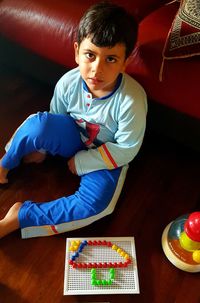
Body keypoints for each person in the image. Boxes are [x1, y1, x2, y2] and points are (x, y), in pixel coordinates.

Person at [0, 1, 147, 239]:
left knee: (98, 205)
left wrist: (84, 162)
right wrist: (43, 148)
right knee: (39, 123)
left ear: (125, 61)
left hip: (105, 154)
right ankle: (5, 163)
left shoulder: (132, 100)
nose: (96, 70)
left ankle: (20, 218)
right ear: (77, 51)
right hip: (73, 136)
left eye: (110, 59)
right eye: (90, 55)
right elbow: (55, 118)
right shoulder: (68, 82)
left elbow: (127, 149)